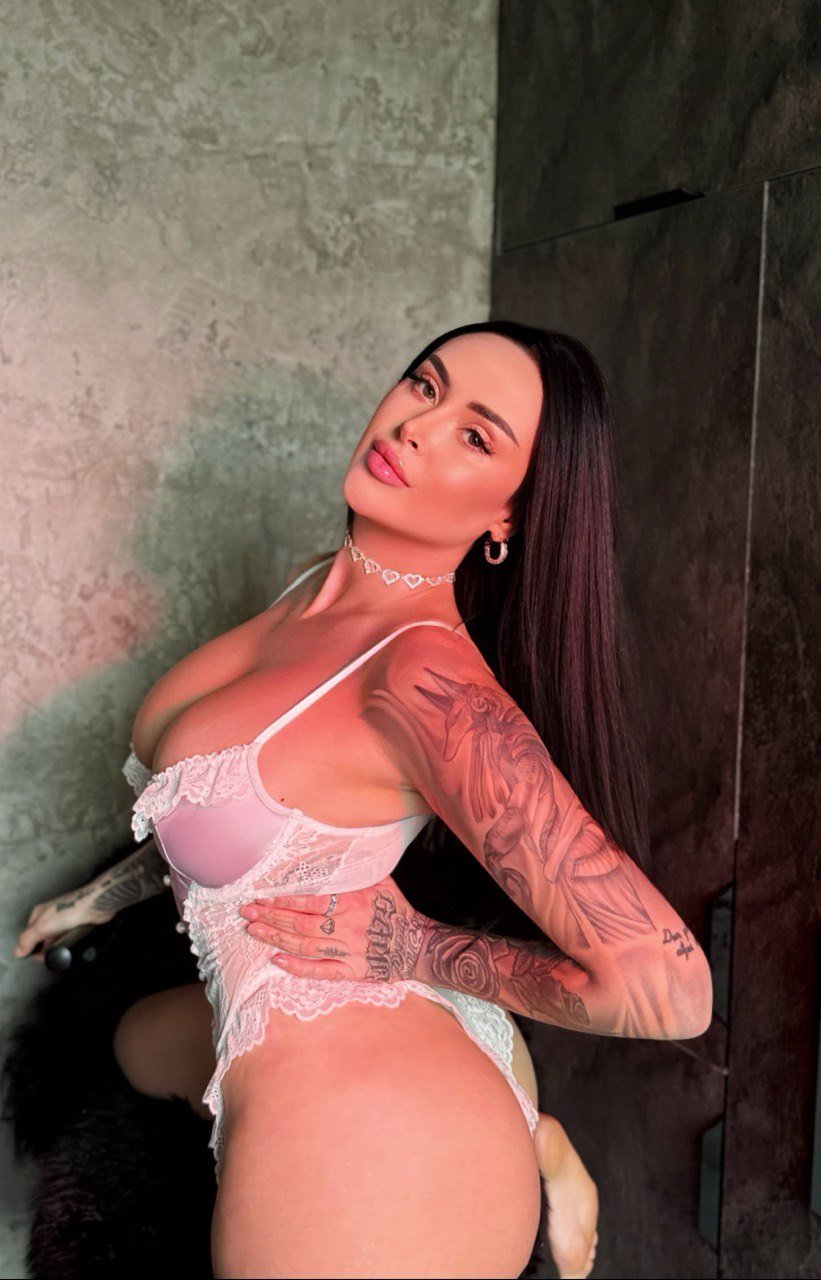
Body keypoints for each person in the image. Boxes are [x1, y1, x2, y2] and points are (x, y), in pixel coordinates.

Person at [16, 321, 712, 1279]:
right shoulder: (318, 582)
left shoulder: (429, 683)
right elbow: (217, 810)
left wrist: (413, 946)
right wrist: (96, 900)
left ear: (509, 515)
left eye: (475, 435)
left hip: (372, 1126)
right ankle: (535, 1129)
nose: (414, 426)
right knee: (134, 1043)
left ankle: (512, 1135)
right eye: (424, 385)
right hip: (267, 1009)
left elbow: (669, 992)